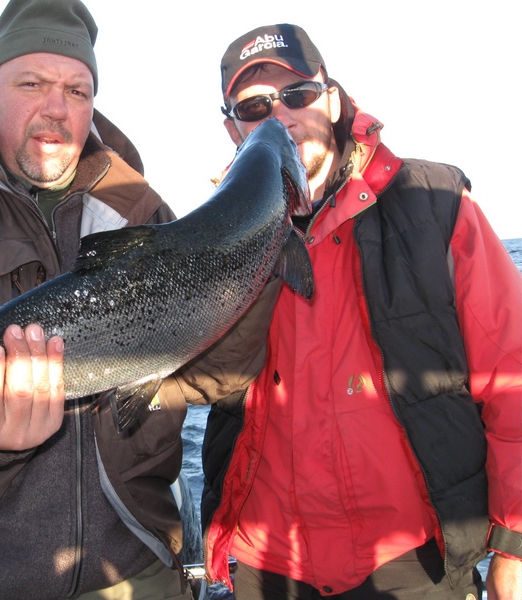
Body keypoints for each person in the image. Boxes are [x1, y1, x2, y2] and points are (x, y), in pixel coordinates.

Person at [0, 0, 282, 598]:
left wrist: (260, 258)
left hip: (132, 560)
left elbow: (210, 375)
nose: (57, 107)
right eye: (32, 84)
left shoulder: (140, 207)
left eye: (77, 91)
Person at [192, 23, 522, 599]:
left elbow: (511, 377)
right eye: (254, 106)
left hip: (414, 563)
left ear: (332, 99)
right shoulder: (212, 243)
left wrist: (513, 547)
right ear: (232, 128)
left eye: (297, 94)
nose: (280, 116)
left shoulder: (436, 203)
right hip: (268, 568)